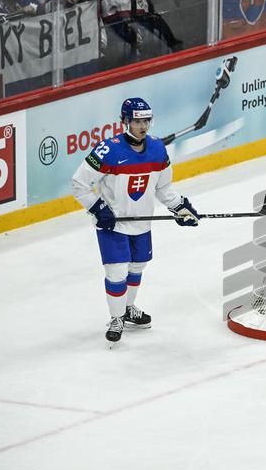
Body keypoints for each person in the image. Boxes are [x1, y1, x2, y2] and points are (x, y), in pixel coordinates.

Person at [70, 97, 200, 344]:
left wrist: (179, 207)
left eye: (146, 120)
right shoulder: (108, 150)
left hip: (141, 223)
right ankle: (116, 318)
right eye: (137, 121)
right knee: (116, 270)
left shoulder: (158, 149)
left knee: (137, 266)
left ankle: (128, 309)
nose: (143, 126)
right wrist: (99, 208)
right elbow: (79, 183)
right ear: (125, 121)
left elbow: (163, 189)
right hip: (113, 224)